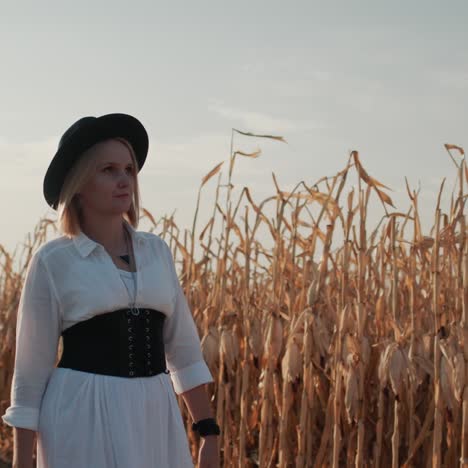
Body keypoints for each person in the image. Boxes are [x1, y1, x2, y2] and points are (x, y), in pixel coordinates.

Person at [1, 113, 220, 468]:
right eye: (108, 170)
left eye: (129, 170)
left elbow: (184, 351)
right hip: (81, 415)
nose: (124, 181)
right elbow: (29, 375)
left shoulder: (157, 252)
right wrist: (23, 462)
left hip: (154, 414)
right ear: (79, 183)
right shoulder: (53, 261)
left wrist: (208, 431)